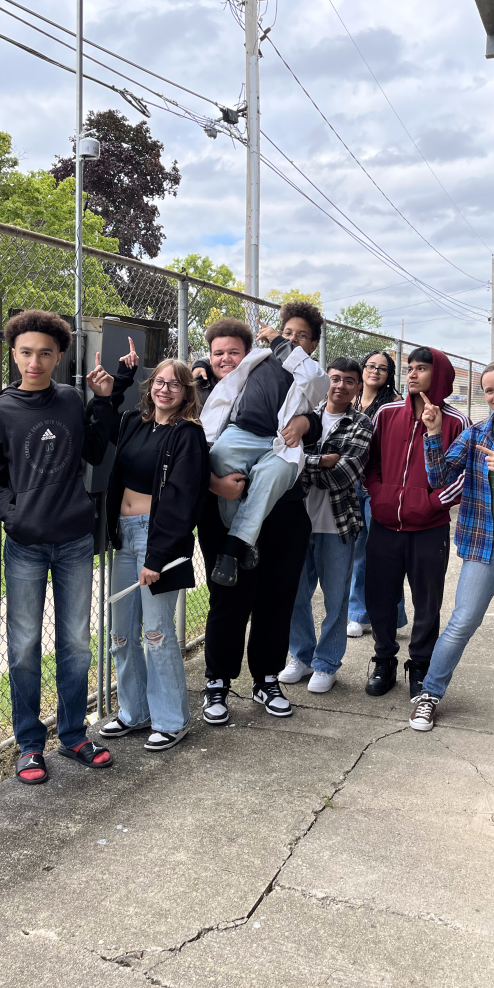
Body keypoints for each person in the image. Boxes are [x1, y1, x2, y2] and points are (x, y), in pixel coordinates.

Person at [0, 309, 117, 785]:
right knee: (23, 647)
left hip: (75, 542)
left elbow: (97, 451)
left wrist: (103, 401)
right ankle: (29, 744)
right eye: (25, 353)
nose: (34, 361)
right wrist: (14, 514)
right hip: (25, 547)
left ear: (59, 356)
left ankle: (74, 735)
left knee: (76, 643)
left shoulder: (72, 401)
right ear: (13, 355)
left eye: (44, 353)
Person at [409, 359, 494, 731]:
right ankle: (430, 694)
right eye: (489, 390)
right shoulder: (476, 436)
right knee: (462, 622)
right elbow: (439, 477)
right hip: (485, 546)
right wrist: (434, 433)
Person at [196, 316, 320, 723]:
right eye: (219, 353)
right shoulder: (195, 389)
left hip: (283, 510)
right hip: (221, 510)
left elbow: (311, 412)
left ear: (251, 353)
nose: (226, 359)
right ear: (208, 356)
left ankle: (266, 678)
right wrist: (215, 485)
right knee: (228, 599)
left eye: (235, 352)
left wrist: (305, 423)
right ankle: (218, 681)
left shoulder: (270, 375)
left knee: (276, 596)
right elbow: (178, 451)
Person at [98, 358, 209, 750]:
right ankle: (134, 712)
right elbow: (102, 428)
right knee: (121, 632)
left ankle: (172, 719)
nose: (165, 389)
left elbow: (181, 500)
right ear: (151, 387)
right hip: (125, 537)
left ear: (186, 392)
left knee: (156, 633)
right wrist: (119, 380)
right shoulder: (134, 422)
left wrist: (157, 556)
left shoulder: (188, 435)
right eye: (159, 382)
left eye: (174, 385)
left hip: (156, 539)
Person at [200, 300, 329, 587]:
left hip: (278, 442)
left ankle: (234, 545)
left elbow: (312, 386)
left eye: (301, 335)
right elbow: (225, 363)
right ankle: (247, 540)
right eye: (287, 331)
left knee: (274, 474)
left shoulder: (314, 374)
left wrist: (280, 341)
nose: (292, 338)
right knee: (219, 458)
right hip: (241, 432)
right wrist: (199, 364)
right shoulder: (259, 357)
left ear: (313, 344)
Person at [363, 346, 469, 699]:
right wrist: (378, 496)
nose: (411, 374)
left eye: (421, 368)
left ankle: (420, 665)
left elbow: (463, 476)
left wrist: (428, 504)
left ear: (437, 375)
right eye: (409, 368)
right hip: (384, 525)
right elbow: (371, 464)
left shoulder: (456, 421)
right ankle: (384, 660)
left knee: (427, 603)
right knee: (379, 598)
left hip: (429, 529)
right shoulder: (387, 413)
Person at [280, 357, 374, 692]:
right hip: (295, 520)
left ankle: (327, 663)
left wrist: (304, 460)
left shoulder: (362, 424)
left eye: (350, 381)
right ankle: (302, 656)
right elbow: (281, 458)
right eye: (335, 378)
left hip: (337, 524)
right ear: (325, 381)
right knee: (294, 594)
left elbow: (344, 475)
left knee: (336, 599)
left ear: (357, 387)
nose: (340, 386)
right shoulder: (305, 416)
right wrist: (320, 460)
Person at [346, 350, 407, 639]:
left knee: (383, 550)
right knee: (358, 550)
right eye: (370, 365)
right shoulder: (349, 399)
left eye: (382, 368)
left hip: (376, 486)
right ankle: (358, 614)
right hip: (348, 484)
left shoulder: (393, 405)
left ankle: (392, 613)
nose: (375, 371)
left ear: (388, 375)